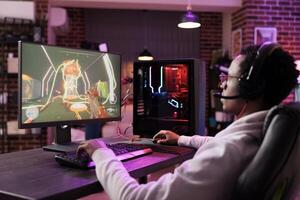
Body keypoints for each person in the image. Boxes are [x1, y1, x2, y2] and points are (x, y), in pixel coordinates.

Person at [77, 42, 298, 200]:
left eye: (228, 79)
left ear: (252, 87)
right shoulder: (275, 136)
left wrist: (101, 152)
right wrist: (181, 138)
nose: (222, 85)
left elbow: (133, 195)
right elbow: (220, 144)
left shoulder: (229, 151)